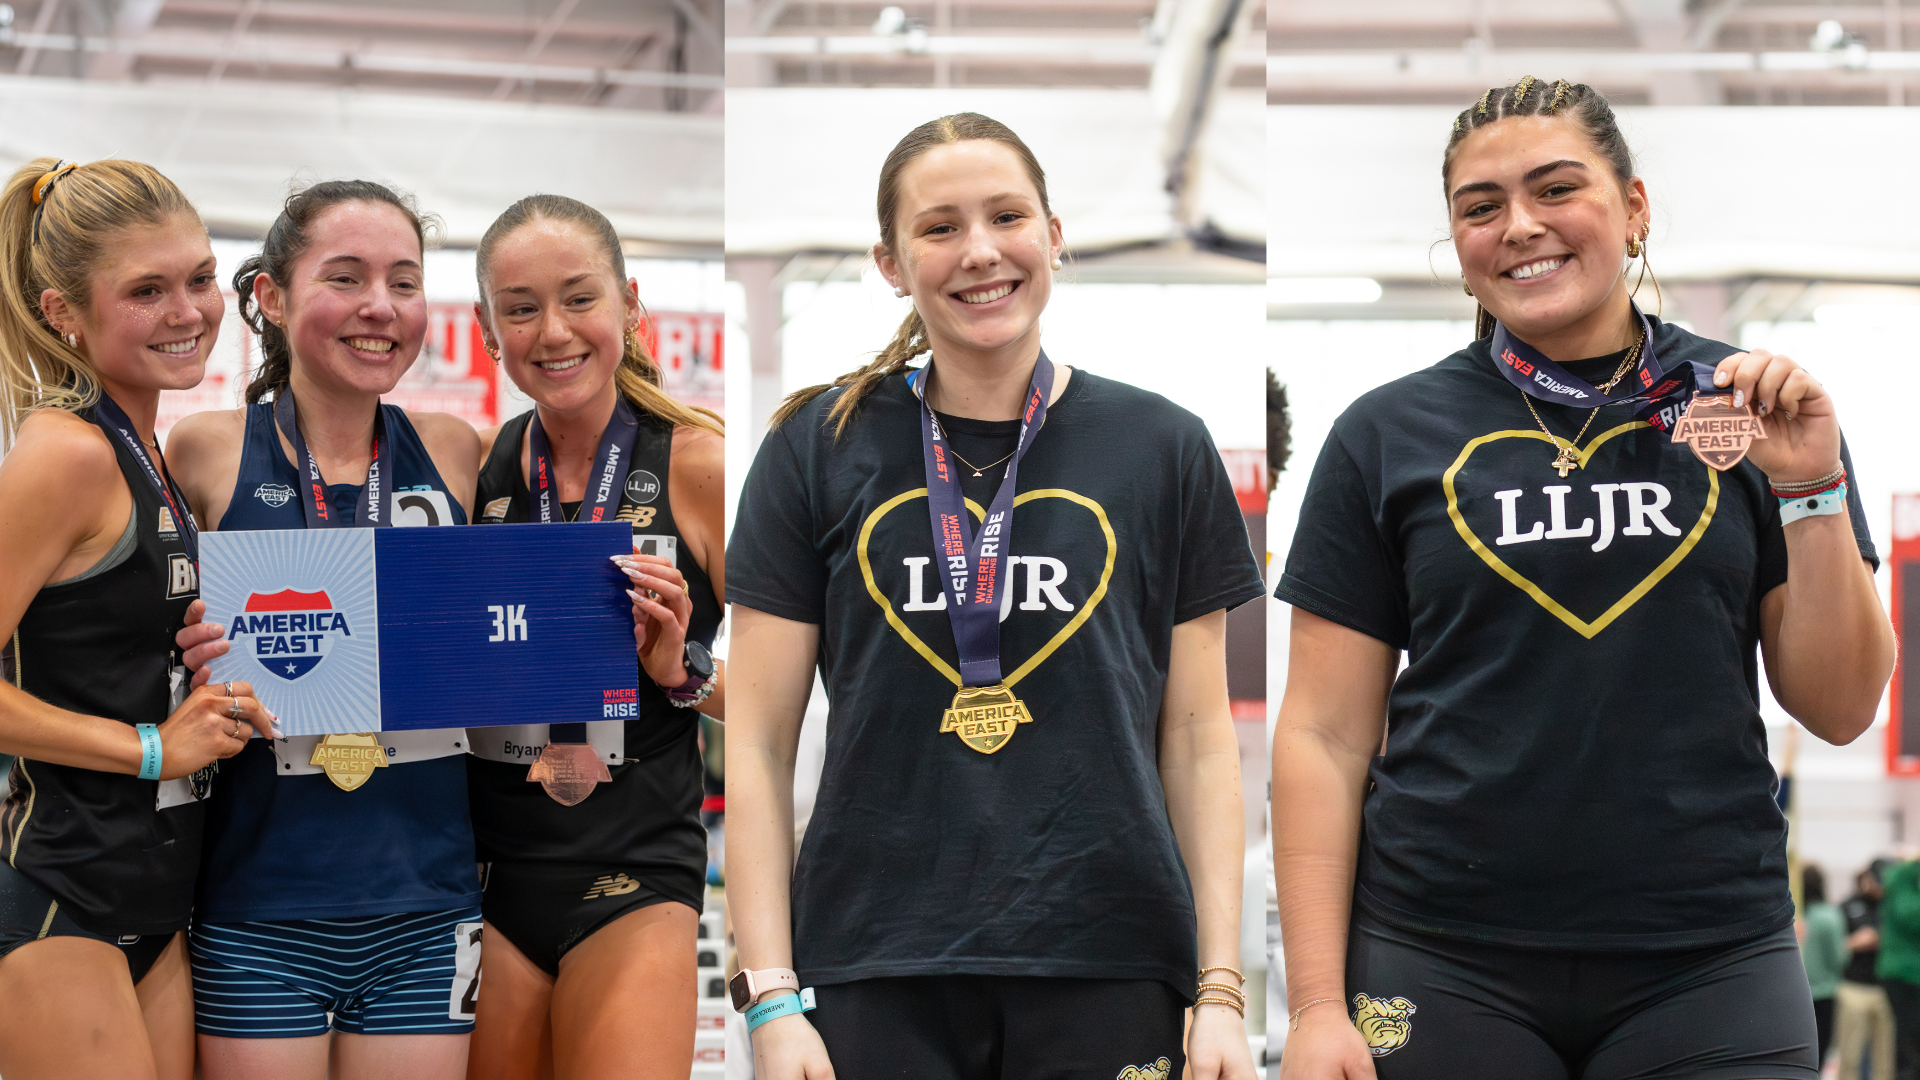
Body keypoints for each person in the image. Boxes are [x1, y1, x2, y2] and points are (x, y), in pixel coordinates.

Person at [1271, 78, 1893, 1079]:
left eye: (1556, 189)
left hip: (1709, 958)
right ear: (1457, 240)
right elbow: (1323, 735)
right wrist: (1310, 1007)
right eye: (1481, 207)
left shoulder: (1755, 409)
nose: (1520, 226)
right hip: (1441, 953)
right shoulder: (1385, 436)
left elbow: (1840, 706)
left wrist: (1812, 483)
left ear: (1634, 208)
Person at [727, 112, 1266, 1080]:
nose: (980, 251)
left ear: (1053, 235)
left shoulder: (1163, 448)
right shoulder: (817, 446)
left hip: (1112, 959)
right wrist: (770, 996)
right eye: (939, 228)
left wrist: (1219, 988)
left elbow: (1196, 738)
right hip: (873, 963)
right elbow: (759, 746)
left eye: (1007, 216)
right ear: (891, 262)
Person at [165, 180, 481, 1080]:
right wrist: (184, 655)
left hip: (428, 904)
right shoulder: (206, 450)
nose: (381, 307)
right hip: (257, 904)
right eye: (346, 278)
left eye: (405, 282)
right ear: (271, 296)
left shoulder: (456, 449)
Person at [0, 157, 275, 1080]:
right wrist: (154, 746)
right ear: (61, 311)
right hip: (57, 893)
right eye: (146, 291)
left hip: (158, 897)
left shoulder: (146, 448)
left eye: (199, 279)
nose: (188, 311)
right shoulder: (67, 453)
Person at [462, 193, 724, 1080]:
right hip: (488, 873)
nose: (553, 331)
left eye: (579, 298)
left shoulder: (696, 463)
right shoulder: (477, 470)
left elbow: (783, 688)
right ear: (489, 330)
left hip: (635, 871)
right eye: (521, 308)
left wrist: (677, 669)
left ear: (630, 305)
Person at [1839, 862, 1896, 1080]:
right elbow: (1836, 947)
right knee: (1850, 1056)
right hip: (1854, 987)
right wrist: (1854, 942)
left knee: (1885, 1058)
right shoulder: (1848, 905)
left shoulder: (1890, 906)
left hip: (1884, 988)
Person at [1876, 858, 1920, 1080]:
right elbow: (1910, 917)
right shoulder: (1903, 877)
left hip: (1908, 973)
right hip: (1905, 974)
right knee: (1908, 1046)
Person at [1804, 865, 1850, 1065]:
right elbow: (1839, 959)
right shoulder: (1829, 916)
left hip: (1795, 994)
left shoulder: (1792, 917)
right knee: (1819, 1055)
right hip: (1824, 993)